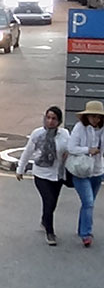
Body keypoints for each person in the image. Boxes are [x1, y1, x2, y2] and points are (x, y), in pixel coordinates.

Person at [17, 106, 70, 246]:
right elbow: (28, 151)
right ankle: (50, 232)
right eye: (48, 118)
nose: (50, 121)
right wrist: (20, 169)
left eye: (54, 119)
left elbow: (70, 148)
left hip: (57, 174)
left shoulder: (64, 134)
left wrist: (68, 153)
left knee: (53, 203)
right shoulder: (37, 134)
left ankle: (45, 220)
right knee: (49, 201)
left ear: (59, 121)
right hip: (41, 173)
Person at [67, 100, 104, 247]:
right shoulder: (79, 128)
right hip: (80, 171)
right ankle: (86, 234)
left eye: (98, 117)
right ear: (87, 116)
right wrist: (88, 150)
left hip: (97, 171)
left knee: (89, 203)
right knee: (88, 202)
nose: (96, 119)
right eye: (93, 116)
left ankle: (82, 228)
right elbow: (71, 148)